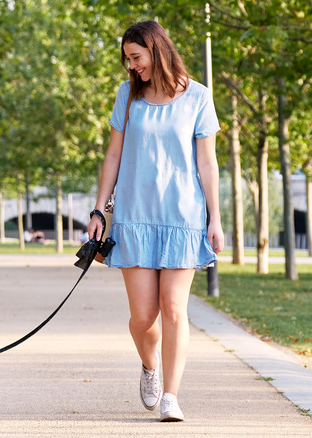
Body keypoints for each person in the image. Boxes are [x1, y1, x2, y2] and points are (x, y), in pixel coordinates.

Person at [86, 20, 224, 422]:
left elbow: (207, 162)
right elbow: (113, 156)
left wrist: (214, 218)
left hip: (182, 217)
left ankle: (170, 396)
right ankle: (149, 365)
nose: (132, 67)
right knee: (144, 318)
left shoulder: (198, 96)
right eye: (127, 60)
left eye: (136, 57)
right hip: (135, 217)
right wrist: (99, 210)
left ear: (157, 49)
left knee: (174, 308)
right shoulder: (128, 96)